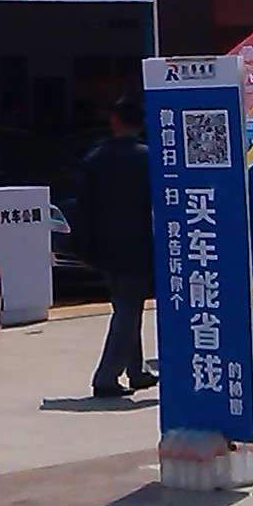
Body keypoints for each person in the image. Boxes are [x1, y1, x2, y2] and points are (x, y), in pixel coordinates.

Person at [72, 97, 155, 399]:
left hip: (105, 247)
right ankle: (107, 376)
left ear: (115, 121)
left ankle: (137, 369)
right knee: (129, 310)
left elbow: (82, 209)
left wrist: (83, 248)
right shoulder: (149, 159)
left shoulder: (95, 158)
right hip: (139, 245)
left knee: (126, 307)